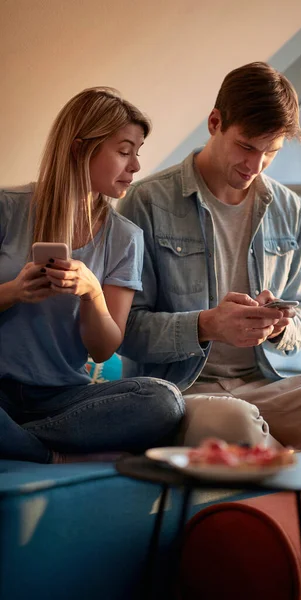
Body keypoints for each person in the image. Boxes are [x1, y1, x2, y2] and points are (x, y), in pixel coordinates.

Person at [118, 62, 301, 536]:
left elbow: (300, 321)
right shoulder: (148, 202)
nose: (254, 165)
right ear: (215, 124)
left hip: (263, 386)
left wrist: (280, 326)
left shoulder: (288, 208)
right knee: (238, 422)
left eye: (269, 152)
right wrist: (207, 325)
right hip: (182, 394)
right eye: (246, 146)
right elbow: (125, 332)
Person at [0, 87, 184, 464]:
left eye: (137, 152)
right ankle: (50, 453)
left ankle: (19, 442)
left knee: (163, 400)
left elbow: (103, 349)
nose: (134, 166)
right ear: (79, 148)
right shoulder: (6, 209)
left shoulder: (125, 237)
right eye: (124, 150)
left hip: (61, 399)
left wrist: (92, 294)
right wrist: (15, 291)